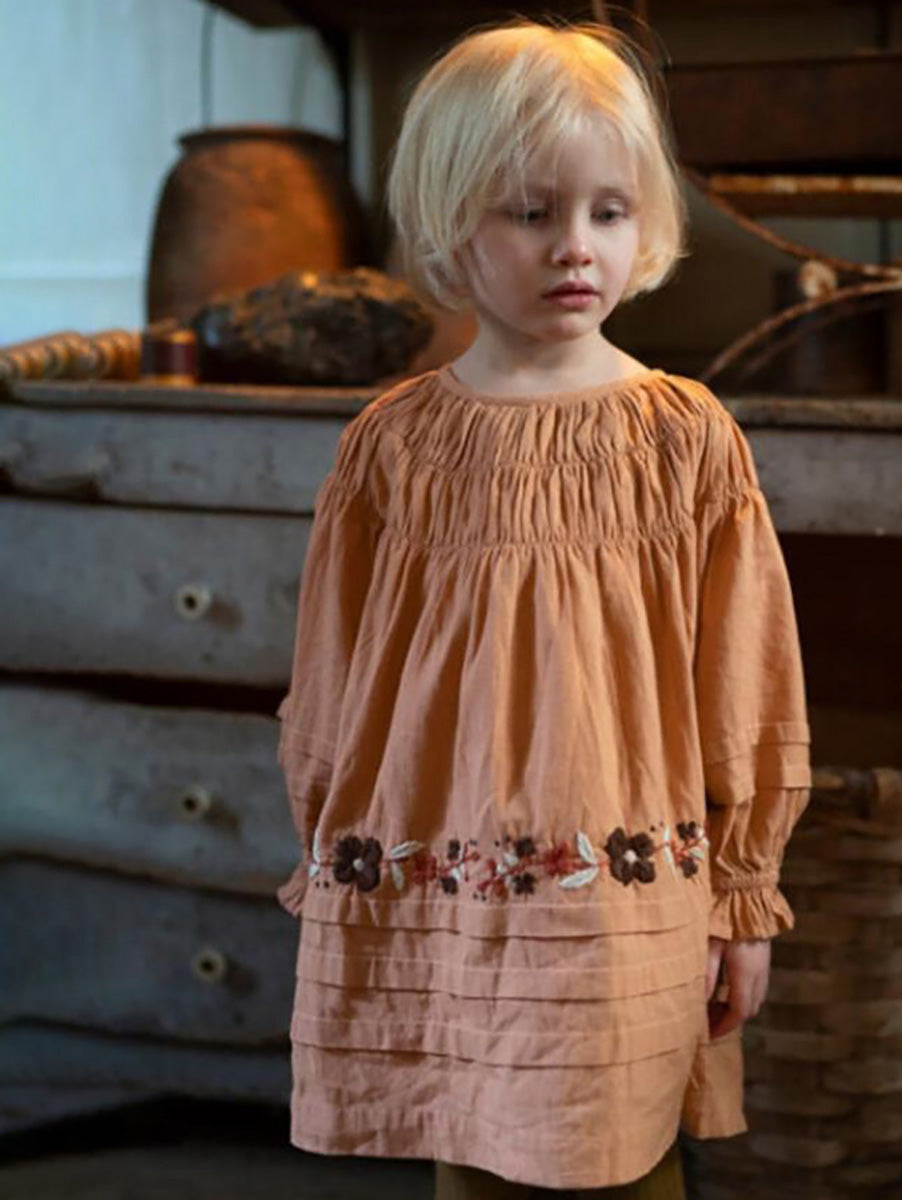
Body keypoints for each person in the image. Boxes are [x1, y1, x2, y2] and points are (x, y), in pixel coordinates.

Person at [272, 14, 812, 1199]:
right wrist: (326, 844)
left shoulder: (682, 438)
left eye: (608, 212)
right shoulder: (394, 448)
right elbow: (331, 678)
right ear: (451, 224)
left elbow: (747, 683)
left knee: (622, 1153)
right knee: (472, 1148)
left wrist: (741, 890)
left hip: (617, 902)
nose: (576, 246)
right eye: (530, 212)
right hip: (447, 891)